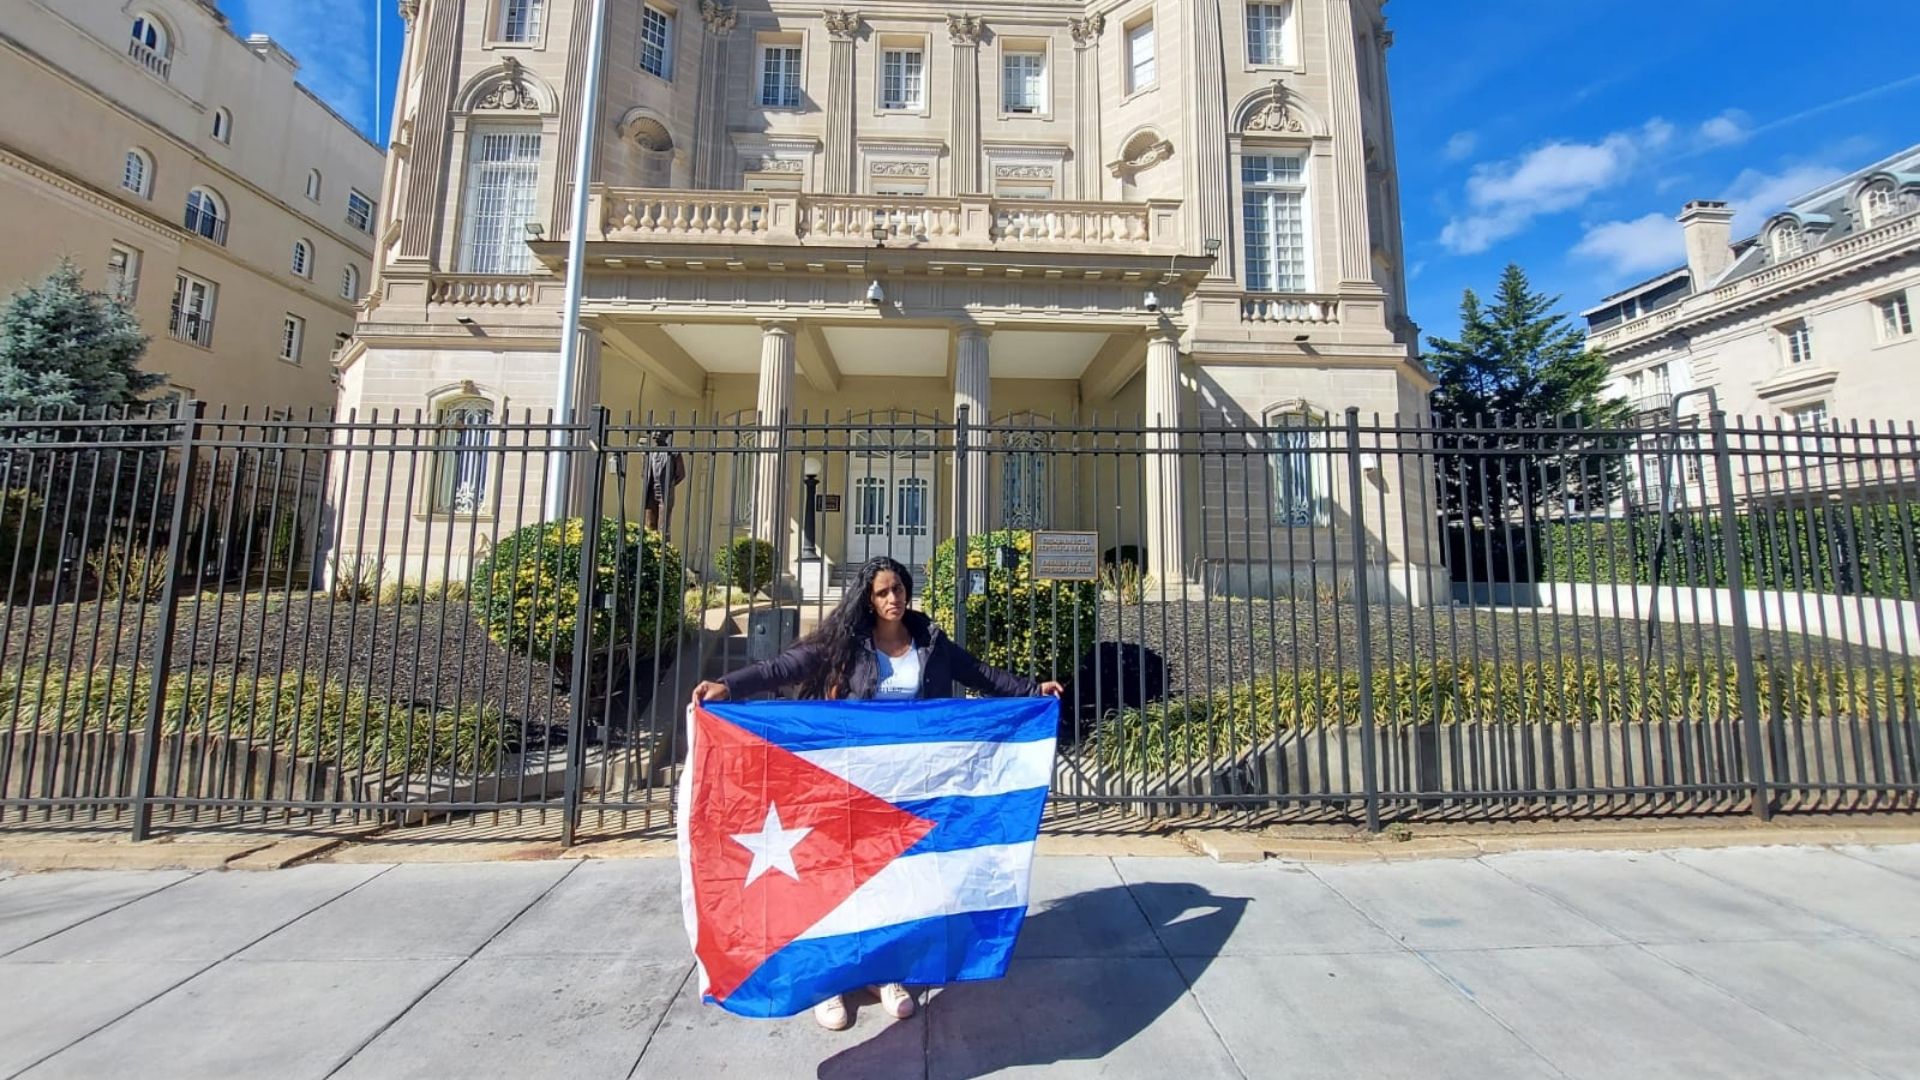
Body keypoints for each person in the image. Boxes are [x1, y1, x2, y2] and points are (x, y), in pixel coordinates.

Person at [692, 555, 1064, 1031]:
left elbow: (980, 675)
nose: (894, 599)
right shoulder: (846, 645)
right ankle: (832, 984)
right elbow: (783, 667)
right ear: (868, 599)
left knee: (896, 884)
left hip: (914, 786)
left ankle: (885, 972)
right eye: (883, 592)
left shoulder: (929, 640)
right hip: (853, 787)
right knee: (840, 880)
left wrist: (1032, 689)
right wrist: (727, 686)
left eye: (899, 589)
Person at [641, 430, 686, 533]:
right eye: (654, 432)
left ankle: (664, 548)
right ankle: (650, 547)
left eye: (659, 432)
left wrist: (669, 484)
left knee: (663, 526)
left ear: (665, 435)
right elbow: (644, 472)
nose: (655, 434)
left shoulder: (674, 452)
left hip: (664, 492)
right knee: (650, 524)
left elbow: (681, 474)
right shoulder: (648, 452)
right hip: (650, 492)